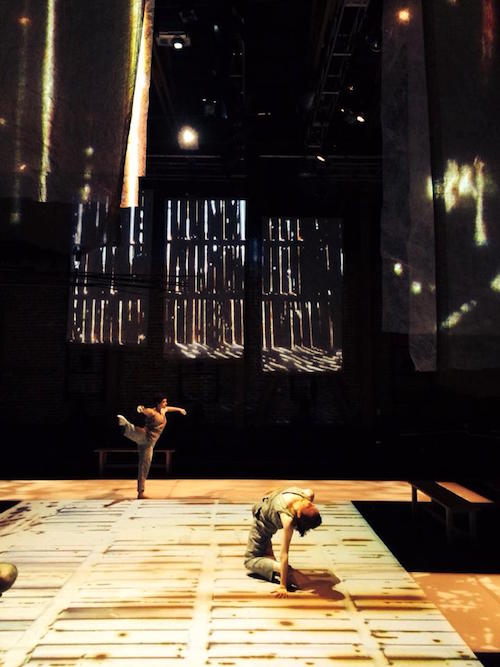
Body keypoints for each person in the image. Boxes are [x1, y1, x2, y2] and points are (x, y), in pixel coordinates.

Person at [244, 486, 322, 598]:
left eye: (310, 505)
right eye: (312, 505)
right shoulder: (306, 497)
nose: (310, 503)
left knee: (249, 560)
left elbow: (284, 553)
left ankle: (278, 567)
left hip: (263, 523)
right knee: (265, 548)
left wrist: (283, 586)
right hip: (266, 509)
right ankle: (270, 558)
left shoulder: (289, 518)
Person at [117, 394, 187, 499]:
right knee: (137, 432)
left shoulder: (163, 411)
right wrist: (141, 409)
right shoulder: (152, 412)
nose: (166, 404)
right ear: (158, 404)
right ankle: (126, 425)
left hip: (149, 444)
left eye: (166, 401)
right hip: (145, 436)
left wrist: (180, 409)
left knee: (144, 466)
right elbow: (145, 410)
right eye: (164, 402)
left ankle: (140, 492)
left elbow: (169, 408)